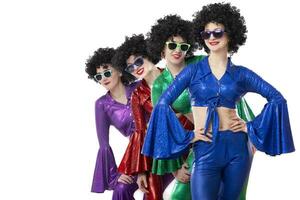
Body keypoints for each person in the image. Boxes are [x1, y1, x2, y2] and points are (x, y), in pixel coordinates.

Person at [142, 3, 295, 200]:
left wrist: (250, 127)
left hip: (237, 148)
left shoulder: (241, 74)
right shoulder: (193, 70)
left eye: (218, 32)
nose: (212, 38)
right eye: (206, 34)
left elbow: (277, 98)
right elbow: (162, 104)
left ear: (230, 34)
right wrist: (188, 137)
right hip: (205, 146)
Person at [147, 14, 255, 200]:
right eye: (172, 45)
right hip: (202, 141)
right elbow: (163, 127)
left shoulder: (200, 64)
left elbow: (235, 93)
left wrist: (250, 128)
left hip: (232, 137)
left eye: (183, 46)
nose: (177, 50)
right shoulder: (160, 86)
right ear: (162, 49)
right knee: (179, 196)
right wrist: (175, 169)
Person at [113, 34, 176, 200]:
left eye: (138, 61)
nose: (135, 68)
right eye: (130, 67)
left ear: (149, 55)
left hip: (189, 142)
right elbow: (140, 133)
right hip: (161, 150)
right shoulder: (137, 95)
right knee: (149, 189)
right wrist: (141, 171)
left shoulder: (174, 77)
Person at [85, 47, 138, 199]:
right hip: (137, 155)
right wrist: (114, 175)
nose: (103, 78)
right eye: (98, 76)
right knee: (121, 189)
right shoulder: (102, 105)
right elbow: (104, 145)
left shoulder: (140, 88)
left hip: (163, 147)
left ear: (120, 71)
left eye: (107, 72)